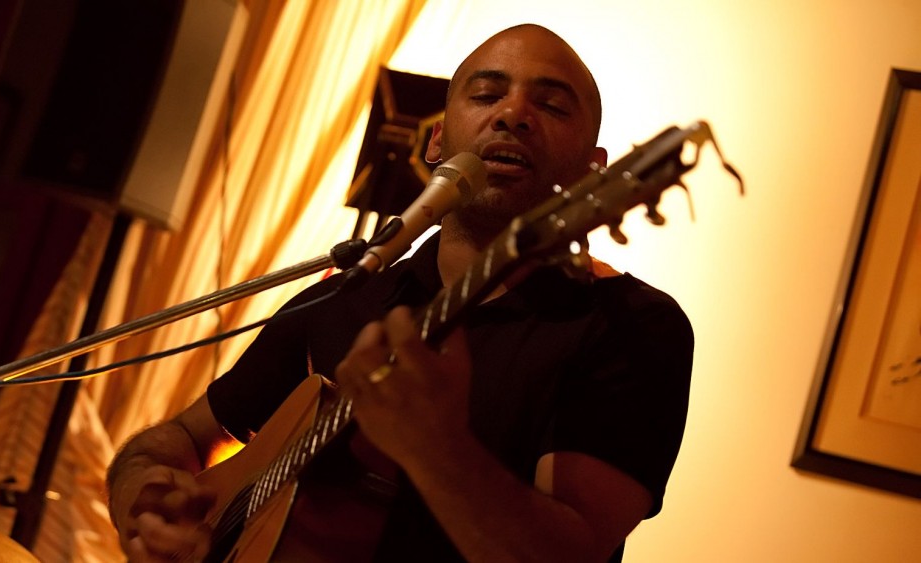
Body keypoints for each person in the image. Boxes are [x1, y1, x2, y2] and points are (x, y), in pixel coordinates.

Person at [106, 24, 693, 562]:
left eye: (551, 105)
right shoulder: (347, 297)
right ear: (436, 142)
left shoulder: (634, 327)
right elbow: (178, 440)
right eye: (487, 95)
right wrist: (143, 497)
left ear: (594, 173)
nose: (513, 114)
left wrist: (434, 446)